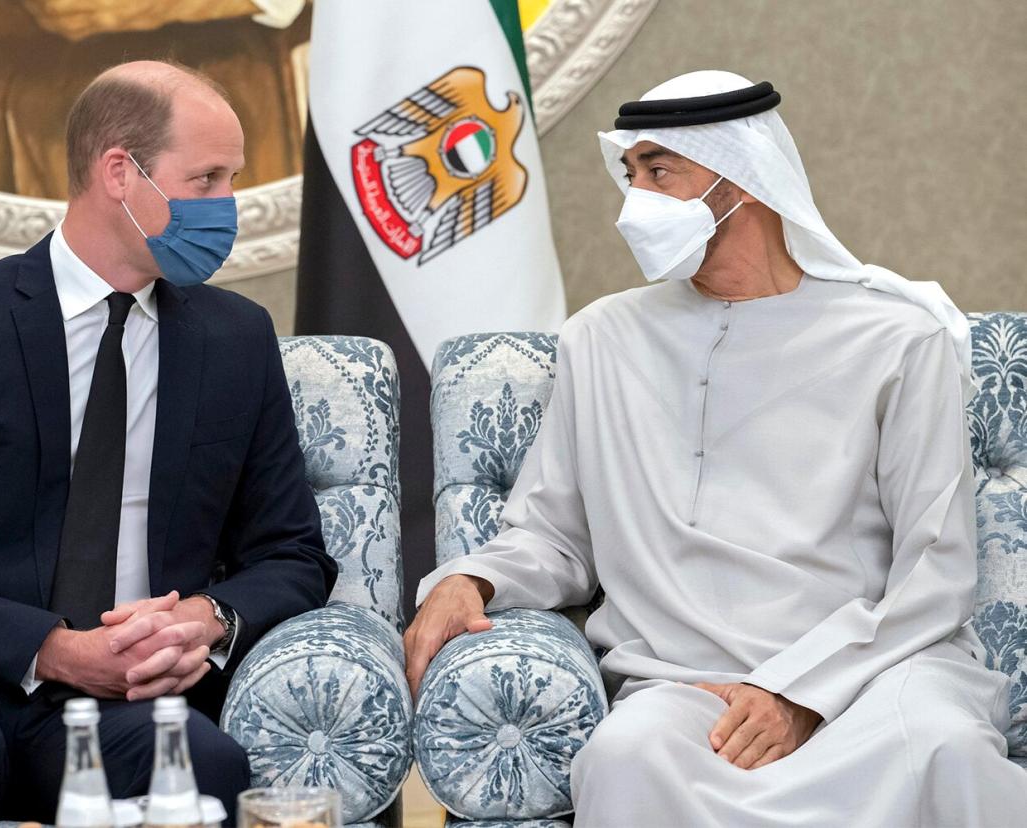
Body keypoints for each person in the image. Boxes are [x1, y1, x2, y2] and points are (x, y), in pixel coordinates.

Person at [405, 70, 1027, 826]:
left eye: (661, 172)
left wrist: (802, 693)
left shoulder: (898, 340)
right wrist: (471, 581)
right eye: (629, 175)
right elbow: (554, 533)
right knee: (624, 758)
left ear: (745, 180)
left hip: (874, 674)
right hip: (685, 686)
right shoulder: (600, 338)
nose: (636, 200)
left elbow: (936, 571)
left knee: (944, 748)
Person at [0, 60, 337, 825]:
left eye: (233, 180)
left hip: (116, 697)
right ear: (121, 172)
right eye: (208, 179)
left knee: (206, 766)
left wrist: (206, 620)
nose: (229, 207)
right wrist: (49, 647)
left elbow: (292, 553)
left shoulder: (236, 338)